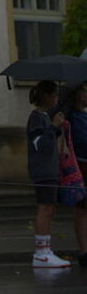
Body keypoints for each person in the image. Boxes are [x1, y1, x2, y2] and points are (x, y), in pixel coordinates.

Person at [26, 80, 71, 268]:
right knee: (45, 209)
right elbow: (40, 145)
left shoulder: (45, 117)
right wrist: (53, 126)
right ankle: (41, 253)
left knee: (50, 210)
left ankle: (46, 249)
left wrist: (58, 130)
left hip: (50, 170)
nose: (57, 98)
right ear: (46, 96)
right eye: (55, 94)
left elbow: (54, 146)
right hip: (43, 171)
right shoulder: (36, 117)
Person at [65, 81, 87, 266]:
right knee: (83, 208)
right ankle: (85, 250)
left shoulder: (82, 116)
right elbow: (82, 141)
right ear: (79, 95)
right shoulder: (74, 117)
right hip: (83, 166)